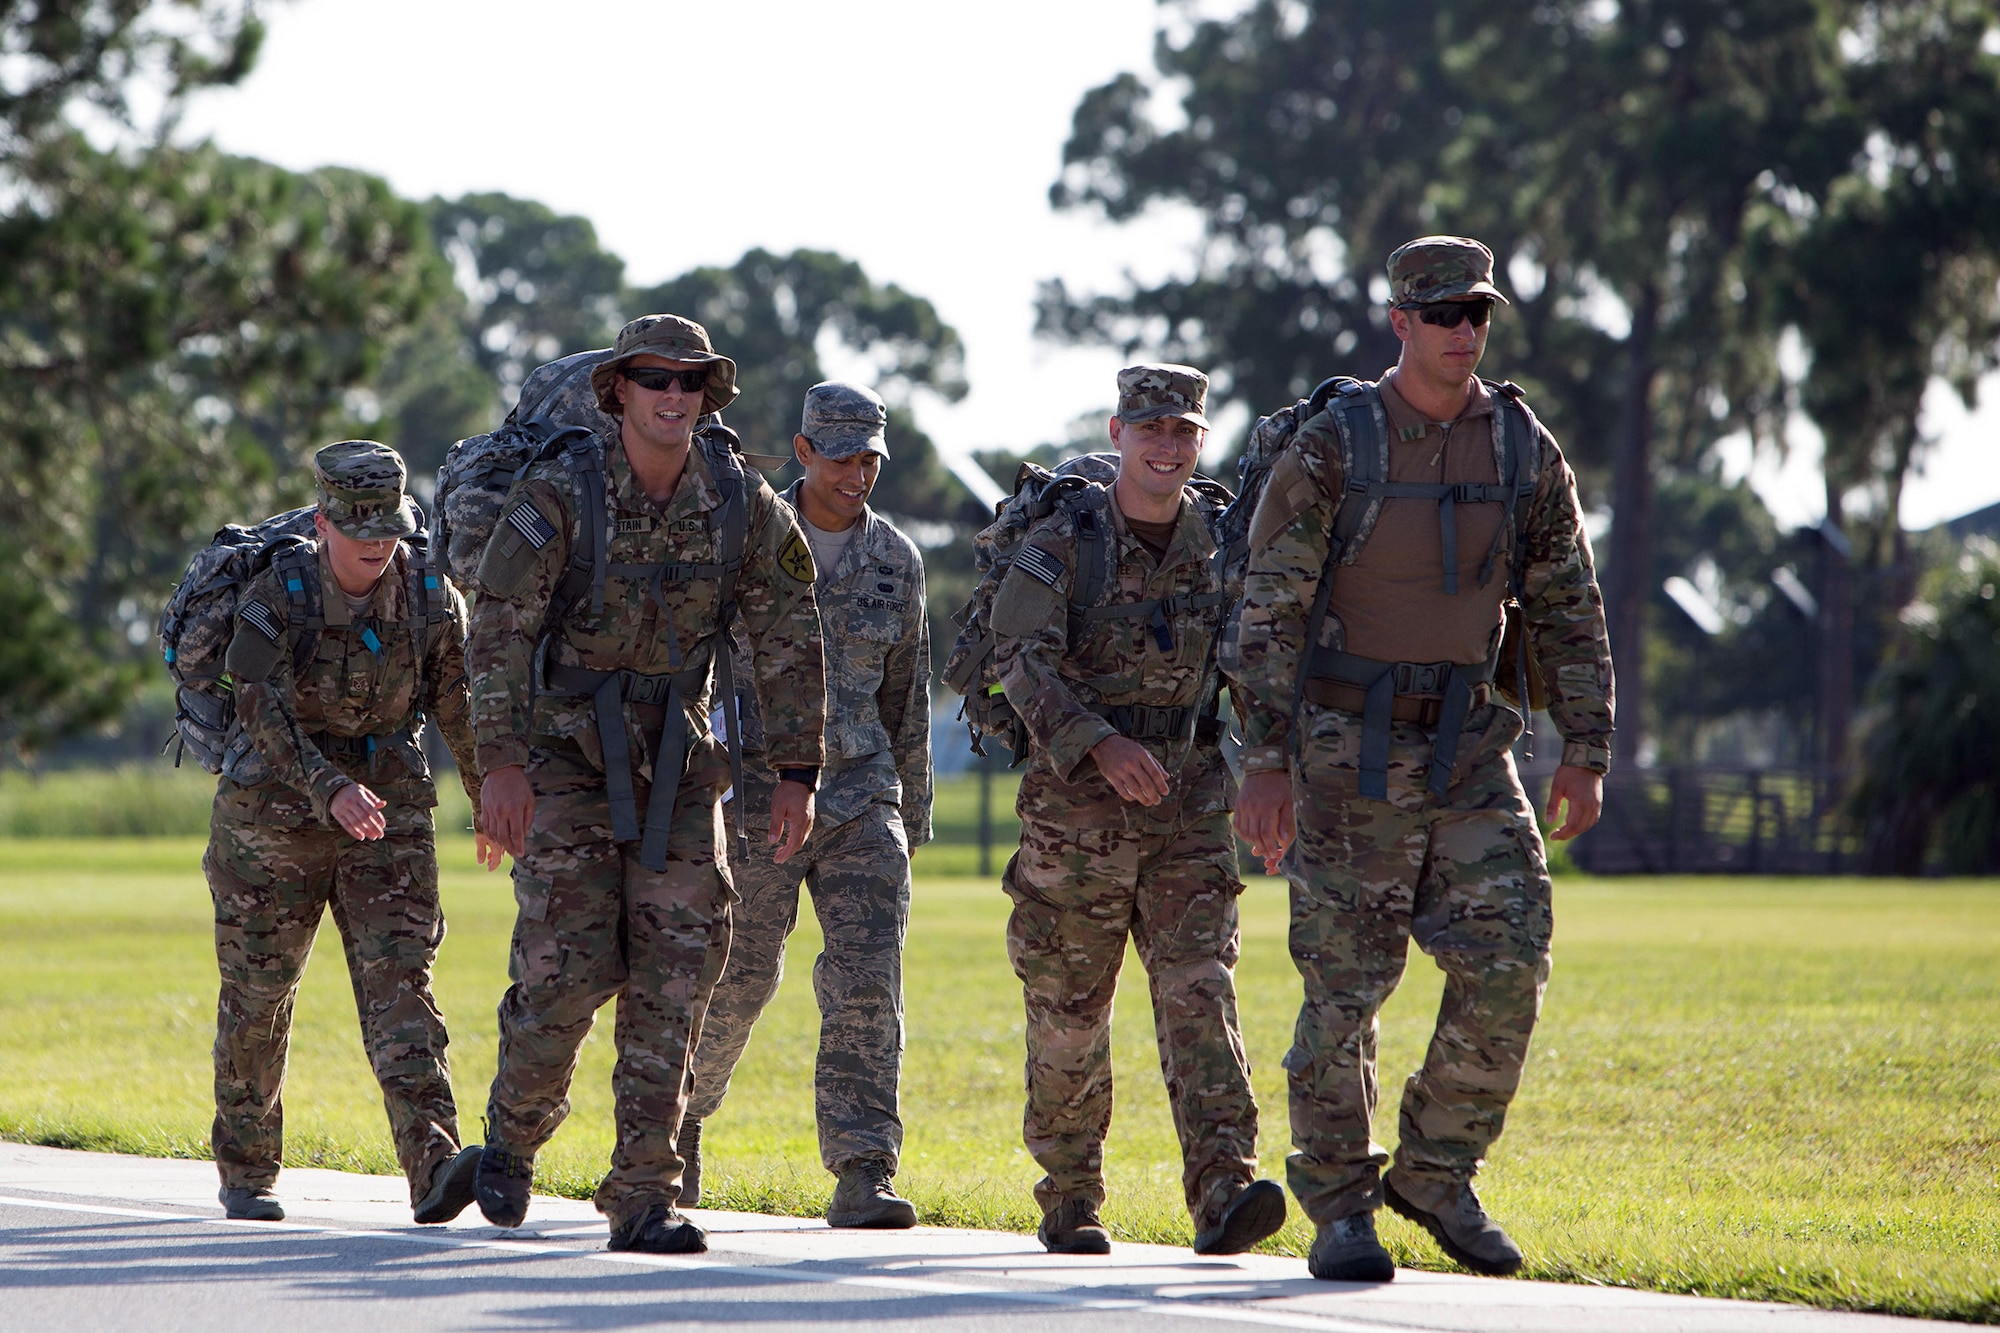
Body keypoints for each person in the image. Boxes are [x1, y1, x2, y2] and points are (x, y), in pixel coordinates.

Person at [1226, 235, 1615, 1282]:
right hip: (1342, 748)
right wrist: (1261, 761)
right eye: (1440, 312)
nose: (1461, 330)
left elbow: (1568, 602)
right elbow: (1267, 608)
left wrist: (1584, 745)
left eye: (1476, 312)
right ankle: (1341, 1202)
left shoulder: (1520, 448)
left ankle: (1435, 1172)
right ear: (1398, 322)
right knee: (1345, 986)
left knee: (1510, 950)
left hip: (1467, 748)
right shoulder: (1335, 444)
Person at [467, 314, 825, 1255]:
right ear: (617, 390)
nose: (674, 396)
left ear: (709, 395)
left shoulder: (742, 501)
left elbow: (789, 633)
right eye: (655, 379)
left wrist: (797, 771)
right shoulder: (559, 494)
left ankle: (642, 1194)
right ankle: (513, 1132)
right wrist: (498, 765)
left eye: (691, 381)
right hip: (565, 761)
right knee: (565, 973)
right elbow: (498, 630)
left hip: (677, 765)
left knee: (677, 972)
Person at [986, 364, 1286, 1257]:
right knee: (1071, 1009)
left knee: (1201, 988)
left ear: (1200, 442)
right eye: (1150, 428)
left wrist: (1272, 768)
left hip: (1190, 795)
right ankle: (1071, 1192)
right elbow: (1018, 654)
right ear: (1117, 432)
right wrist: (1099, 744)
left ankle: (1225, 1187)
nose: (1166, 445)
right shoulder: (1065, 537)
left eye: (1183, 431)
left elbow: (1255, 663)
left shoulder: (1222, 539)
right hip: (1077, 806)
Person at [206, 440, 487, 1225]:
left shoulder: (432, 593)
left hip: (388, 812)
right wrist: (326, 785)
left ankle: (433, 1162)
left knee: (402, 984)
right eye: (356, 524)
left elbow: (459, 703)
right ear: (322, 522)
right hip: (271, 818)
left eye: (387, 524)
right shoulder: (281, 590)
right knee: (260, 994)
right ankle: (249, 1168)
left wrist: (486, 792)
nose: (374, 540)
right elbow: (254, 702)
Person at [683, 381, 931, 1229]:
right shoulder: (746, 540)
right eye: (841, 456)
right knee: (739, 974)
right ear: (802, 452)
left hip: (863, 795)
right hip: (756, 795)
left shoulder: (897, 560)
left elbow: (908, 693)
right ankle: (682, 1116)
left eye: (870, 458)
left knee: (867, 983)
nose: (856, 473)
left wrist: (913, 815)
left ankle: (864, 1168)